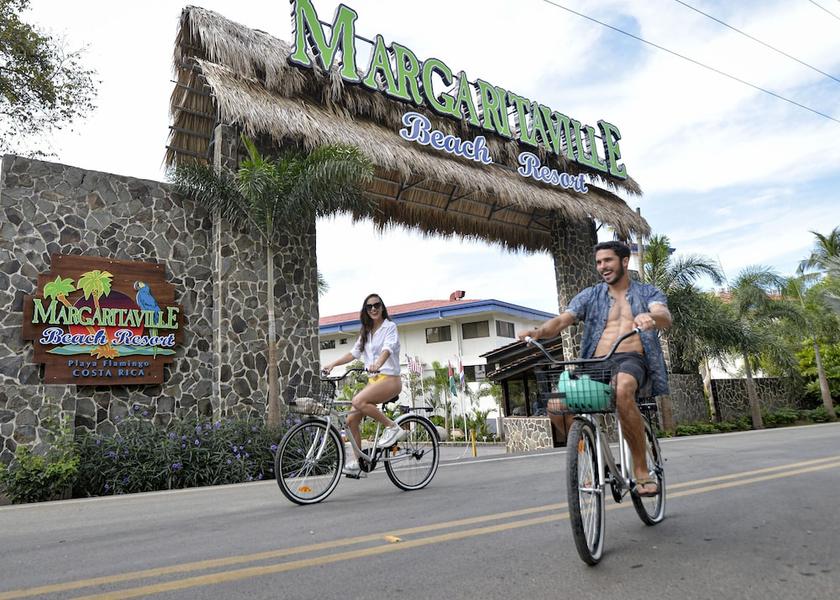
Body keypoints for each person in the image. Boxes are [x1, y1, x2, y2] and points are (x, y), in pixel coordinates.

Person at [518, 241, 672, 496]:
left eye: (608, 260)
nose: (602, 267)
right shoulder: (590, 295)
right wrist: (538, 332)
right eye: (599, 262)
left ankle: (642, 471)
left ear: (624, 262)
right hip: (596, 362)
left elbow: (664, 315)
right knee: (556, 407)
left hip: (631, 359)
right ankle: (597, 460)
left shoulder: (647, 292)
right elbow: (561, 321)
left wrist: (650, 318)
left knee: (622, 389)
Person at [322, 293, 405, 477]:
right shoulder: (366, 332)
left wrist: (378, 364)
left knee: (358, 400)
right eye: (369, 307)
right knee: (351, 420)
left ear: (382, 307)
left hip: (390, 379)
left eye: (377, 305)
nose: (373, 309)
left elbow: (387, 349)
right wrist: (332, 364)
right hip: (374, 381)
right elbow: (353, 354)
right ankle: (360, 461)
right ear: (366, 310)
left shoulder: (390, 327)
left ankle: (393, 427)